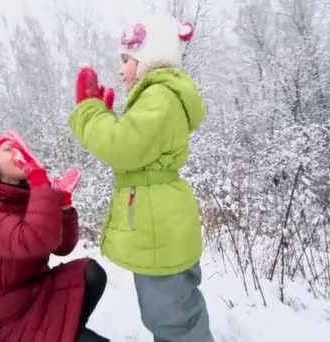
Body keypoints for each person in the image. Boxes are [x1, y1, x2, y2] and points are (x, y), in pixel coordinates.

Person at [69, 15, 214, 342]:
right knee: (175, 314)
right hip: (160, 228)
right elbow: (138, 149)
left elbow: (123, 148)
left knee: (173, 320)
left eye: (126, 60)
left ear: (149, 59)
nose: (120, 71)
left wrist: (91, 111)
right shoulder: (161, 98)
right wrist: (111, 118)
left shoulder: (160, 95)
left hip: (158, 230)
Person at [0, 131, 109, 341]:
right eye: (8, 149)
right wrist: (39, 182)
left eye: (20, 147)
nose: (20, 153)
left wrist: (63, 207)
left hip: (40, 289)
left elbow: (62, 247)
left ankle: (68, 330)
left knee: (90, 272)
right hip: (8, 314)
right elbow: (33, 240)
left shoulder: (27, 196)